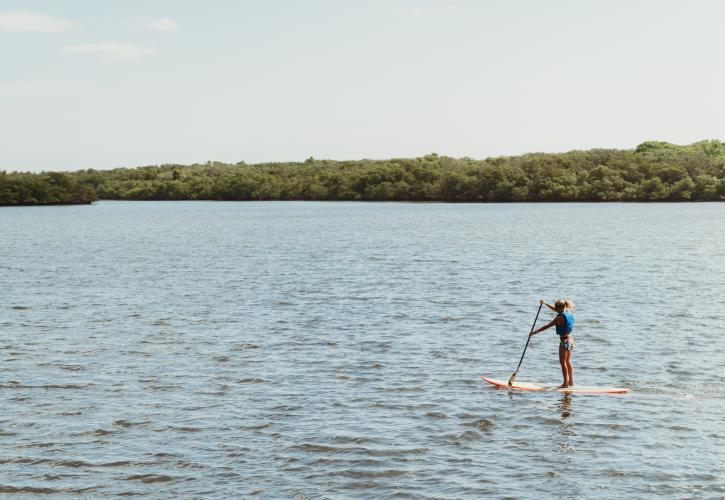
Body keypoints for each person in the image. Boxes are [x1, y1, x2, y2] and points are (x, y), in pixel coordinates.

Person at [529, 299, 575, 388]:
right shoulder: (568, 312)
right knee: (567, 361)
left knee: (562, 362)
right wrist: (546, 304)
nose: (555, 310)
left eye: (556, 309)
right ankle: (571, 382)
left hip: (564, 340)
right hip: (570, 339)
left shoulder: (559, 317)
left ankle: (565, 383)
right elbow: (555, 309)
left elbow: (547, 326)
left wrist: (534, 332)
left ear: (560, 308)